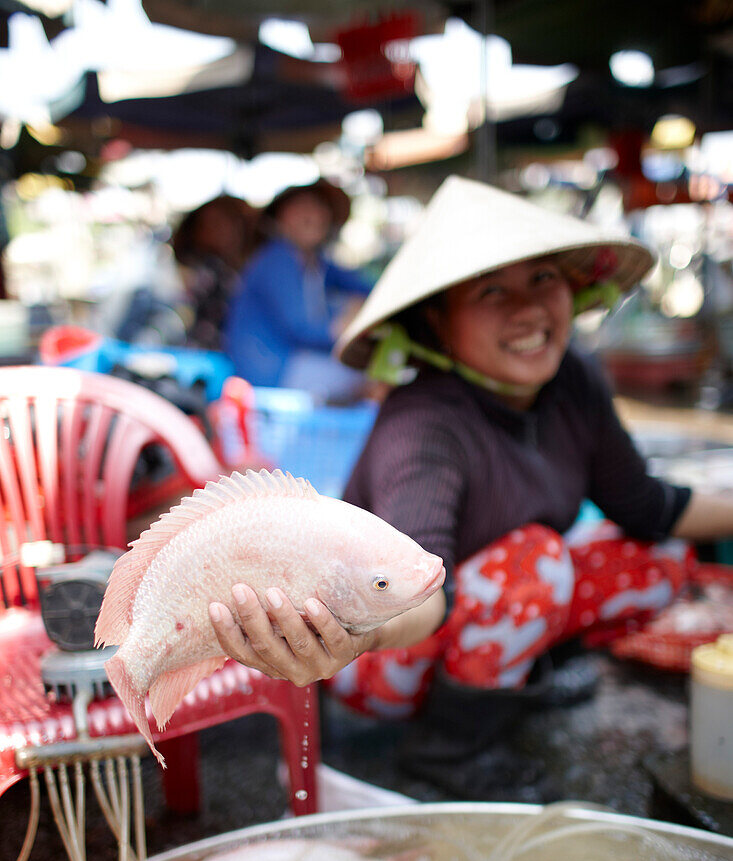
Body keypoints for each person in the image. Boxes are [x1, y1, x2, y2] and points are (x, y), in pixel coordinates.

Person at [207, 175, 733, 800]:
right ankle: (449, 751)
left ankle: (511, 675)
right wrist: (346, 639)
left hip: (477, 611)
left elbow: (644, 506)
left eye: (543, 278)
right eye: (491, 291)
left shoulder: (575, 379)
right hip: (380, 655)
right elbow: (417, 590)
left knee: (659, 561)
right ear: (437, 321)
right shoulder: (424, 420)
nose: (528, 309)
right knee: (538, 558)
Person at [223, 179, 373, 403]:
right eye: (299, 209)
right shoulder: (278, 259)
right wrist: (344, 324)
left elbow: (365, 286)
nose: (310, 216)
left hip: (293, 365)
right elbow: (302, 328)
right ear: (278, 220)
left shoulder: (317, 262)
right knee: (368, 381)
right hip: (271, 373)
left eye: (317, 207)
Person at [172, 195, 256, 351]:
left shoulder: (250, 267)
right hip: (205, 354)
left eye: (227, 222)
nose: (221, 230)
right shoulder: (204, 271)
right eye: (210, 224)